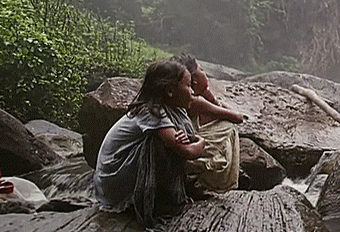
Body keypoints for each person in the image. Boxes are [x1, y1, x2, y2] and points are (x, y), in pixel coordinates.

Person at [93, 59, 206, 228]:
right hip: (113, 183)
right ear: (169, 91)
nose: (192, 92)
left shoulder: (174, 108)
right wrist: (201, 142)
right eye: (188, 86)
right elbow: (187, 152)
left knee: (169, 141)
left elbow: (186, 142)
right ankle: (152, 203)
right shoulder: (151, 111)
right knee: (157, 144)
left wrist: (186, 140)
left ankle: (163, 196)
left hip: (124, 174)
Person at [170, 53, 246, 195]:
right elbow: (237, 117)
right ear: (195, 80)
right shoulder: (195, 101)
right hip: (185, 155)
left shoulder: (184, 97)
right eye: (203, 71)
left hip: (181, 152)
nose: (207, 75)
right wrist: (212, 98)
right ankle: (218, 182)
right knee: (228, 127)